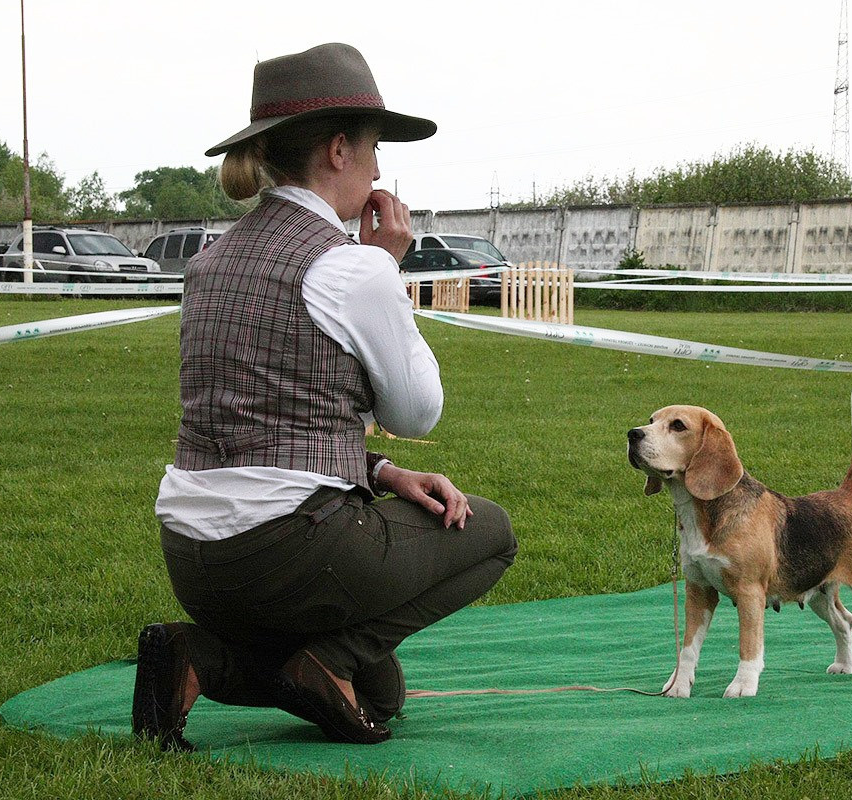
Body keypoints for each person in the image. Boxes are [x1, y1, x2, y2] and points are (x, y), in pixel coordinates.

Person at [133, 42, 517, 750]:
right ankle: (328, 660)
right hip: (284, 553)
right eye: (373, 151)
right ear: (339, 150)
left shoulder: (210, 260)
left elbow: (261, 413)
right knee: (491, 533)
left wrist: (381, 472)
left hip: (191, 559)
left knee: (385, 692)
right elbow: (418, 412)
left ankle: (197, 659)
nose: (379, 170)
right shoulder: (353, 268)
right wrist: (386, 266)